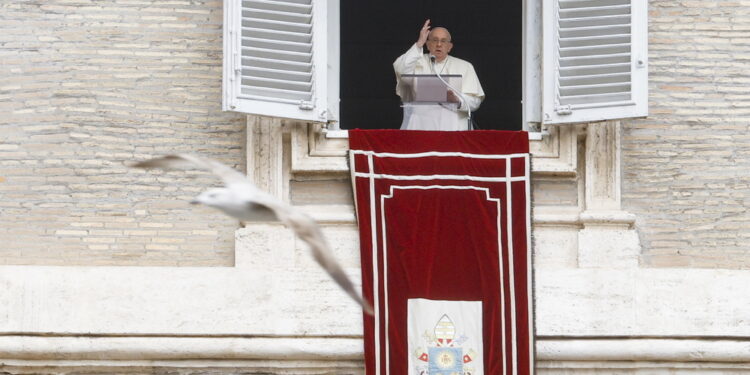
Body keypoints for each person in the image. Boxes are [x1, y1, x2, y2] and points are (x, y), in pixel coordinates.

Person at [393, 19, 485, 131]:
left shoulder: (465, 66)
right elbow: (400, 69)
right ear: (427, 44)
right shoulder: (416, 62)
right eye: (434, 40)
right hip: (420, 126)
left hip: (452, 128)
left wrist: (458, 100)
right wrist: (419, 44)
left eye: (443, 41)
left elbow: (475, 102)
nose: (439, 44)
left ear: (450, 46)